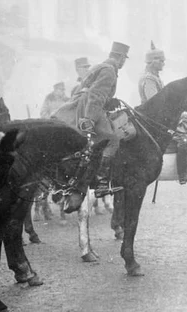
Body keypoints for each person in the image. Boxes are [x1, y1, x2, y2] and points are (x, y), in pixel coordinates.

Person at [54, 41, 130, 198]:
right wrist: (89, 119)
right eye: (124, 59)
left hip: (79, 105)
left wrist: (110, 102)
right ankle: (102, 183)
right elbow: (96, 95)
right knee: (112, 139)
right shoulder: (109, 70)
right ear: (121, 58)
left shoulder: (100, 66)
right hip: (88, 108)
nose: (124, 62)